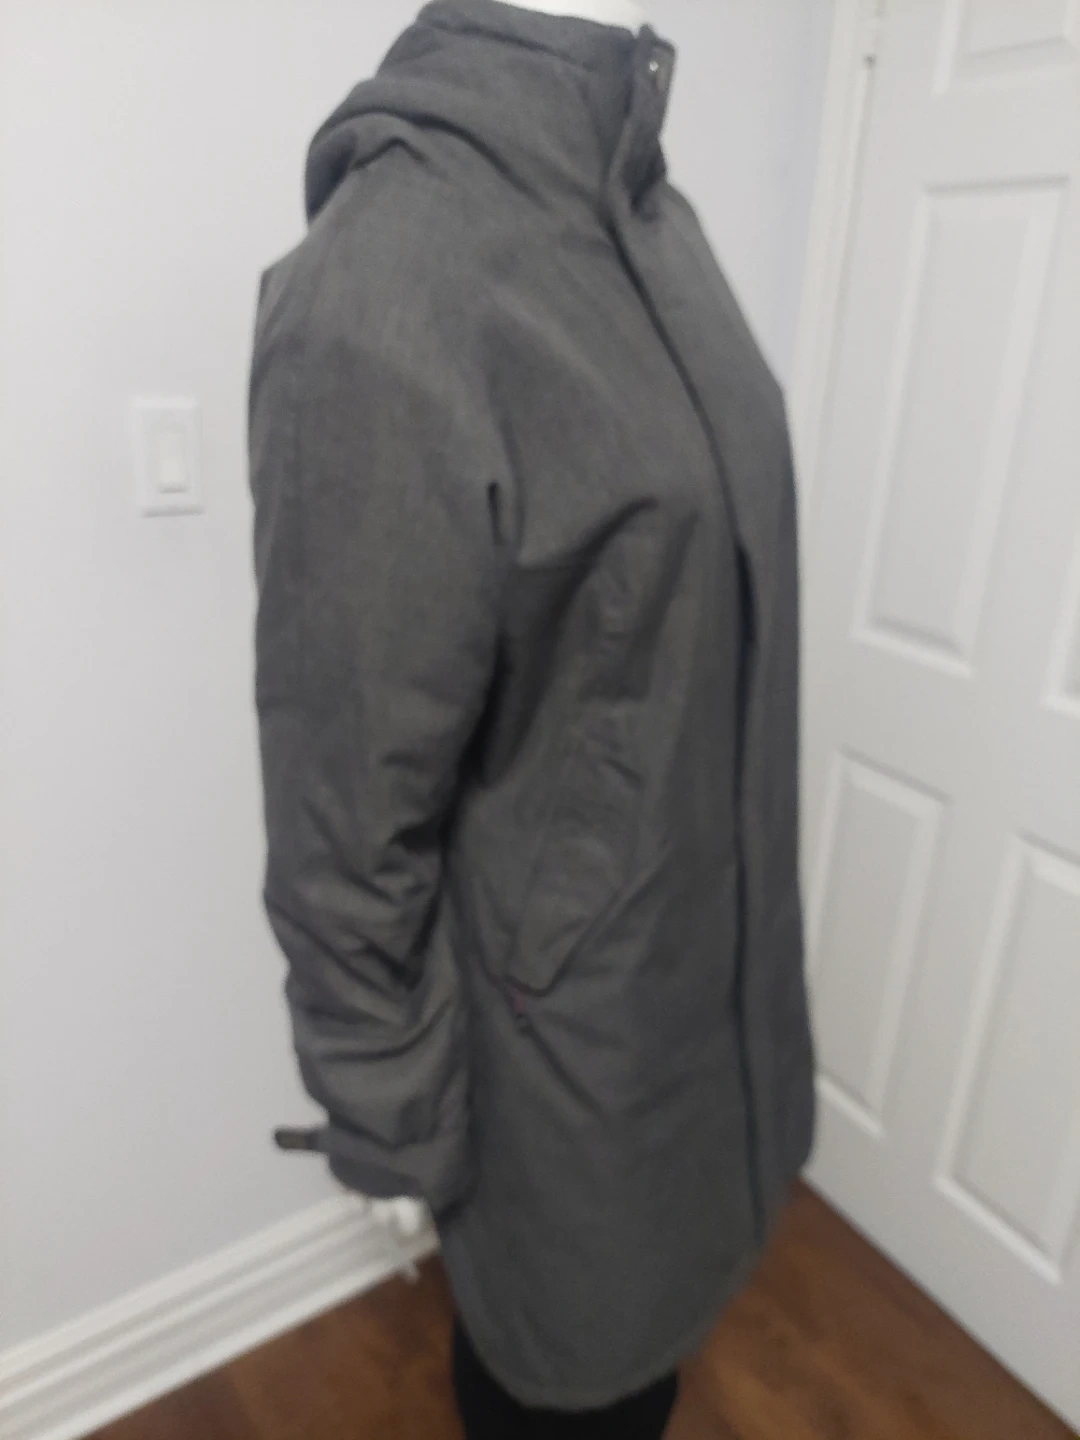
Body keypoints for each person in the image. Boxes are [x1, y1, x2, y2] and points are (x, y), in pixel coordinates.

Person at [247, 2, 816, 1435]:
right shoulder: (391, 286)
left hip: (699, 975)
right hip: (563, 1037)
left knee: (644, 1359)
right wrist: (389, 1109)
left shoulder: (653, 216)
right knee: (572, 1387)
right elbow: (343, 805)